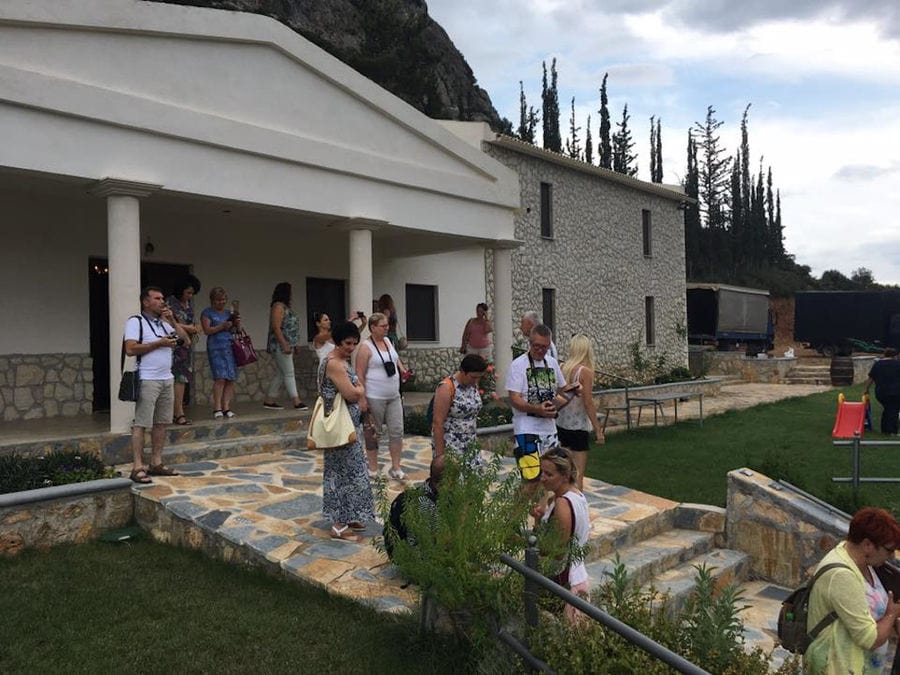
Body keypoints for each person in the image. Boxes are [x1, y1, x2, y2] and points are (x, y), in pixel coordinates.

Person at [805, 507, 900, 674]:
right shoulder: (842, 575)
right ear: (867, 545)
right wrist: (892, 614)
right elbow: (869, 639)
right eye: (889, 549)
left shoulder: (857, 559)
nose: (892, 556)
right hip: (838, 666)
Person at [123, 286, 190, 483]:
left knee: (161, 423)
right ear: (146, 302)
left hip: (166, 378)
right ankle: (137, 466)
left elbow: (185, 341)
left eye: (162, 298)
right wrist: (158, 344)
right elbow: (130, 349)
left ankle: (156, 463)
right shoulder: (136, 322)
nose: (162, 301)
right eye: (157, 298)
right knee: (142, 423)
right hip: (147, 378)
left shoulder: (164, 324)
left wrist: (172, 321)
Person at [320, 320, 375, 542]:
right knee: (341, 473)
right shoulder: (334, 363)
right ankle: (338, 524)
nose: (351, 347)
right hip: (340, 429)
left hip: (349, 427)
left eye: (354, 343)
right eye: (347, 343)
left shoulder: (342, 360)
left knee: (353, 471)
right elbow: (352, 394)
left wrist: (357, 389)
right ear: (337, 341)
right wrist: (360, 389)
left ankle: (350, 515)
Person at [505, 324, 577, 480]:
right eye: (536, 346)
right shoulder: (518, 365)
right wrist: (537, 409)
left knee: (550, 477)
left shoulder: (551, 363)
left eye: (544, 347)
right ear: (530, 343)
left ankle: (541, 505)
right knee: (530, 478)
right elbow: (514, 398)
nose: (540, 350)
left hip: (549, 429)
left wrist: (574, 389)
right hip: (526, 429)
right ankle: (521, 505)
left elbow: (562, 389)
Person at [538, 447, 591, 623]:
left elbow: (558, 551)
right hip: (578, 575)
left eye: (548, 474)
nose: (542, 478)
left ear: (564, 475)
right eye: (541, 472)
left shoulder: (562, 503)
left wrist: (528, 543)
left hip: (564, 581)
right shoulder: (578, 496)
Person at [357, 312, 410, 480]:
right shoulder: (366, 347)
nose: (387, 328)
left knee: (397, 430)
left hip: (393, 395)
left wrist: (402, 370)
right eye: (383, 326)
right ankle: (372, 467)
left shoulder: (388, 341)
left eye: (387, 325)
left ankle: (396, 467)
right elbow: (359, 372)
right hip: (375, 395)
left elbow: (395, 358)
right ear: (373, 327)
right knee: (374, 432)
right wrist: (362, 398)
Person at [556, 334, 605, 490]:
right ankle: (576, 508)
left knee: (563, 471)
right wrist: (598, 430)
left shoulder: (563, 367)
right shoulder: (585, 372)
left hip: (561, 424)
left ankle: (562, 504)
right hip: (578, 426)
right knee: (578, 473)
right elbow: (588, 402)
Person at [263, 282, 308, 411]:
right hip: (280, 345)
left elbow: (291, 328)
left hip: (288, 344)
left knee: (281, 373)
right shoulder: (278, 307)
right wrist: (284, 344)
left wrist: (295, 344)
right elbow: (276, 327)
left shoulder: (284, 307)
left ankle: (269, 400)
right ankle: (296, 400)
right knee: (289, 372)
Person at [432, 354, 487, 461]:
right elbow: (437, 423)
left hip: (471, 444)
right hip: (451, 445)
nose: (476, 381)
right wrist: (440, 456)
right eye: (473, 377)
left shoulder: (473, 385)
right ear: (463, 371)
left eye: (479, 377)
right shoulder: (446, 387)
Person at [165, 275, 201, 426]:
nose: (190, 296)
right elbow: (167, 322)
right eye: (187, 292)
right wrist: (190, 328)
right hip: (174, 346)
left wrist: (195, 328)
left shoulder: (188, 305)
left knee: (182, 379)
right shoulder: (170, 303)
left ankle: (178, 411)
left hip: (186, 347)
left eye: (192, 293)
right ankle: (177, 413)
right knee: (176, 379)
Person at [201, 286, 240, 419]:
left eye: (223, 300)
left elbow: (236, 331)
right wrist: (221, 326)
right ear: (212, 300)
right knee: (220, 377)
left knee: (230, 377)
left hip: (229, 346)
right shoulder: (207, 313)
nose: (221, 302)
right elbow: (207, 330)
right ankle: (217, 407)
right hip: (216, 347)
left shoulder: (229, 313)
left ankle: (226, 407)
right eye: (218, 300)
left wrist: (237, 323)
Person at [864, 348, 900, 435]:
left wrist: (866, 389)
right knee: (893, 411)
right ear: (895, 356)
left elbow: (870, 378)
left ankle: (885, 430)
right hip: (895, 392)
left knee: (887, 409)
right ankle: (892, 431)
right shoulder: (898, 364)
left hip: (881, 393)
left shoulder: (877, 364)